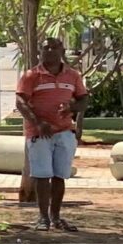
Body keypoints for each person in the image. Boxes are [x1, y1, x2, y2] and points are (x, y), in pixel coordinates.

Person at [16, 35, 88, 230]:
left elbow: (83, 99)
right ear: (40, 51)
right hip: (39, 134)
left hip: (64, 132)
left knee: (59, 175)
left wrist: (72, 108)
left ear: (62, 51)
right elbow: (20, 102)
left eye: (54, 47)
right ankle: (42, 217)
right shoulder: (31, 76)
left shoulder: (72, 75)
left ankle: (55, 217)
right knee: (41, 175)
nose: (49, 51)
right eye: (45, 48)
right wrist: (38, 123)